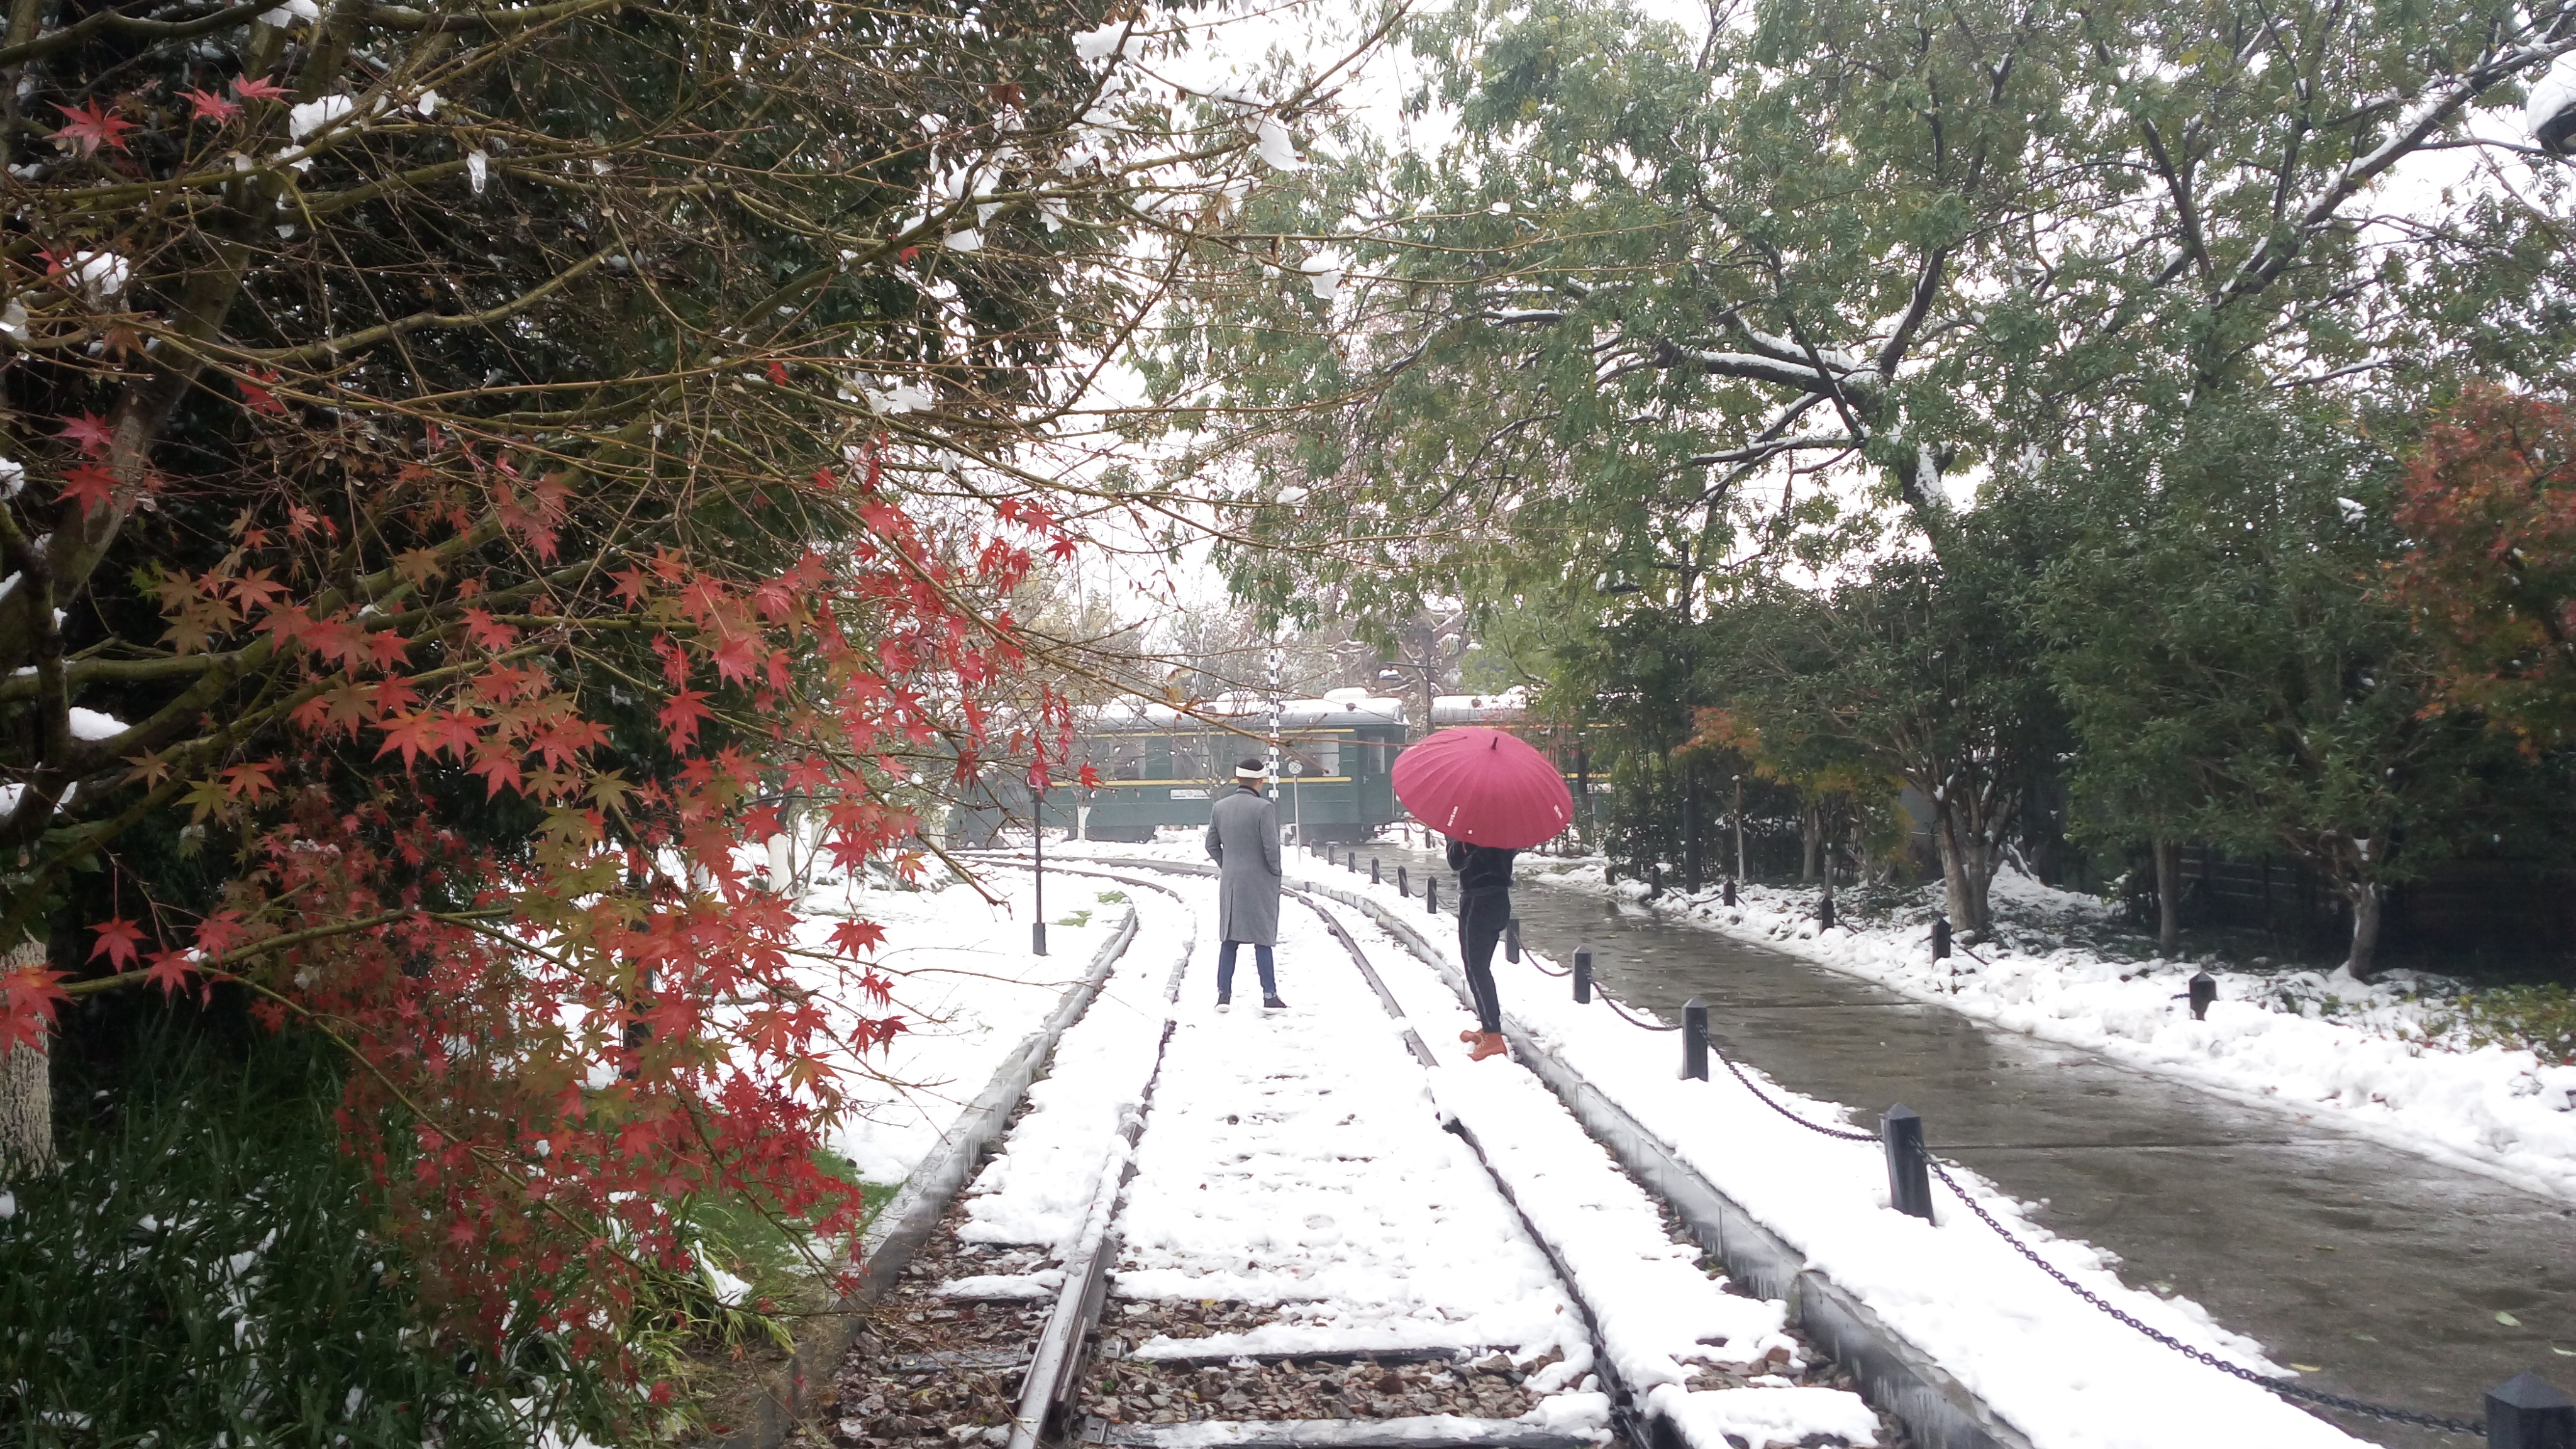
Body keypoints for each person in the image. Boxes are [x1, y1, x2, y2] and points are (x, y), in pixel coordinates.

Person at [1206, 757, 1285, 1011]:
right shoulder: (1263, 809)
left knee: (1229, 939)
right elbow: (1270, 848)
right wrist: (1274, 872)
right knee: (1263, 939)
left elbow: (1211, 844)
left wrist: (1227, 864)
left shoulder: (1220, 807)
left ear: (1238, 779)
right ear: (1260, 780)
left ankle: (1223, 996)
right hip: (1260, 880)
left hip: (1231, 881)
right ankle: (1270, 996)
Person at [1446, 833, 1518, 1060]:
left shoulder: (1470, 829)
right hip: (1499, 899)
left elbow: (1455, 862)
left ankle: (1493, 1036)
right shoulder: (1506, 826)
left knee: (1476, 968)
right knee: (1480, 966)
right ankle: (1489, 1028)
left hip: (1477, 900)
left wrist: (1457, 841)